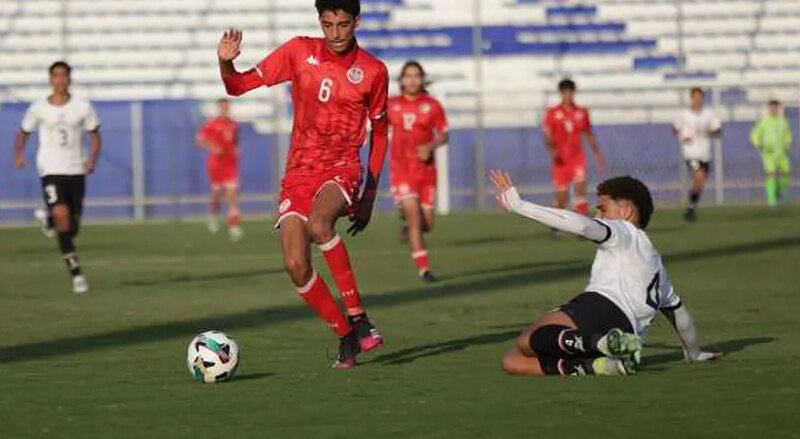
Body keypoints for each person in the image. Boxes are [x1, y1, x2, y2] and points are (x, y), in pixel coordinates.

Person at [216, 0, 389, 369]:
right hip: (298, 172)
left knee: (319, 223)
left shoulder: (374, 71)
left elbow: (381, 133)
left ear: (356, 22)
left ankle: (359, 317)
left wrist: (370, 193)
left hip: (342, 167)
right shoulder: (298, 51)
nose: (336, 34)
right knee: (295, 264)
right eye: (328, 25)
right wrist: (226, 62)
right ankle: (345, 336)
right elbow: (237, 86)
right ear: (319, 21)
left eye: (343, 25)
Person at [489, 170, 720, 376]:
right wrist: (694, 353)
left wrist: (521, 206)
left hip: (600, 307)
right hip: (628, 329)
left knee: (527, 340)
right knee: (513, 361)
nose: (597, 214)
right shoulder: (658, 268)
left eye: (602, 208)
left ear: (627, 211)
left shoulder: (623, 231)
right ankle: (602, 365)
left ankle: (599, 343)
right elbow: (682, 319)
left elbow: (583, 226)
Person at [13, 61, 102, 294]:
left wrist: (92, 158)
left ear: (69, 79)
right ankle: (76, 274)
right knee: (62, 216)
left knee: (72, 228)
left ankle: (48, 220)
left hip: (76, 170)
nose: (60, 80)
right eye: (56, 76)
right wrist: (19, 155)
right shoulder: (38, 108)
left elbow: (95, 136)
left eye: (64, 76)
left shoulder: (83, 107)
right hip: (50, 169)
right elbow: (23, 133)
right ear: (51, 79)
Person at [388, 61, 449, 282]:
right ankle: (424, 269)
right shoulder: (390, 104)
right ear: (401, 80)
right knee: (414, 216)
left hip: (426, 172)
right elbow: (375, 129)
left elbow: (443, 134)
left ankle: (408, 226)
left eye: (416, 76)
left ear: (423, 79)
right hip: (401, 170)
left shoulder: (432, 105)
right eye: (408, 76)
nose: (412, 80)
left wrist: (431, 146)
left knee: (427, 223)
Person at [542, 79, 605, 224]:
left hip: (577, 158)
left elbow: (589, 134)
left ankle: (582, 226)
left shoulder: (582, 112)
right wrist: (552, 151)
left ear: (573, 93)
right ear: (560, 94)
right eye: (565, 93)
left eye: (570, 92)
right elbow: (547, 137)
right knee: (561, 199)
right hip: (560, 161)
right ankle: (555, 224)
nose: (568, 96)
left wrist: (598, 155)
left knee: (580, 192)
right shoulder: (552, 113)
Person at [196, 98, 244, 241]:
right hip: (216, 164)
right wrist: (212, 147)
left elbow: (235, 141)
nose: (225, 109)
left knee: (232, 195)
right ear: (218, 108)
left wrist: (236, 150)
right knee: (216, 194)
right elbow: (198, 141)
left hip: (230, 164)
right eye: (222, 106)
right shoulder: (212, 124)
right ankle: (212, 215)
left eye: (226, 106)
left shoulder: (234, 124)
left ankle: (234, 227)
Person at [673, 87, 722, 222]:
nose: (697, 100)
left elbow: (718, 131)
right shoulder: (684, 114)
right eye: (695, 97)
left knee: (700, 181)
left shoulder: (709, 114)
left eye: (700, 97)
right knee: (699, 176)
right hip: (691, 152)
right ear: (691, 98)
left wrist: (709, 132)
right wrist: (683, 136)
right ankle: (690, 207)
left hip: (705, 153)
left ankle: (691, 207)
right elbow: (674, 129)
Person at [750, 99, 793, 207]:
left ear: (778, 108)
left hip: (781, 152)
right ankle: (771, 200)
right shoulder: (764, 121)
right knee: (771, 174)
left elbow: (787, 134)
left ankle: (780, 191)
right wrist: (758, 144)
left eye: (776, 107)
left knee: (787, 172)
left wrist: (788, 142)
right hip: (769, 153)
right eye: (772, 107)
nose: (774, 109)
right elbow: (755, 134)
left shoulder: (783, 120)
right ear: (769, 109)